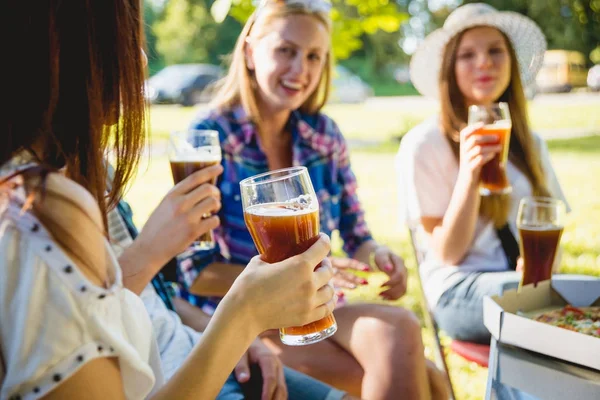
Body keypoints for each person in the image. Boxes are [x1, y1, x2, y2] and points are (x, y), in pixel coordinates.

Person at [0, 1, 340, 399]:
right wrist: (242, 316)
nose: (141, 59)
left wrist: (230, 332)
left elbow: (140, 308)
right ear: (61, 47)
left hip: (191, 347)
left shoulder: (79, 174)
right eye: (125, 37)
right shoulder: (40, 207)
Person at [175, 1, 448, 399]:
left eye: (313, 56)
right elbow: (195, 272)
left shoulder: (323, 135)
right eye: (286, 50)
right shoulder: (209, 138)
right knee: (429, 380)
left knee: (401, 326)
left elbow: (356, 235)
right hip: (240, 318)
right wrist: (292, 277)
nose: (300, 69)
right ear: (250, 52)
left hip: (317, 310)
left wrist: (379, 255)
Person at [395, 3, 569, 344]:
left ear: (511, 63)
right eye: (467, 55)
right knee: (537, 307)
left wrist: (545, 267)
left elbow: (552, 221)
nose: (484, 62)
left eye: (495, 51)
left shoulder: (530, 143)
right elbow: (447, 254)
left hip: (522, 283)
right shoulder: (424, 143)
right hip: (458, 287)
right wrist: (470, 176)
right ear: (449, 68)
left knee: (552, 300)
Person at [108, 183, 347, 399]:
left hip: (195, 345)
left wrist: (237, 338)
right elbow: (98, 317)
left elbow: (155, 299)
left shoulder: (103, 174)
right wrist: (240, 320)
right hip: (176, 378)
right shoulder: (73, 202)